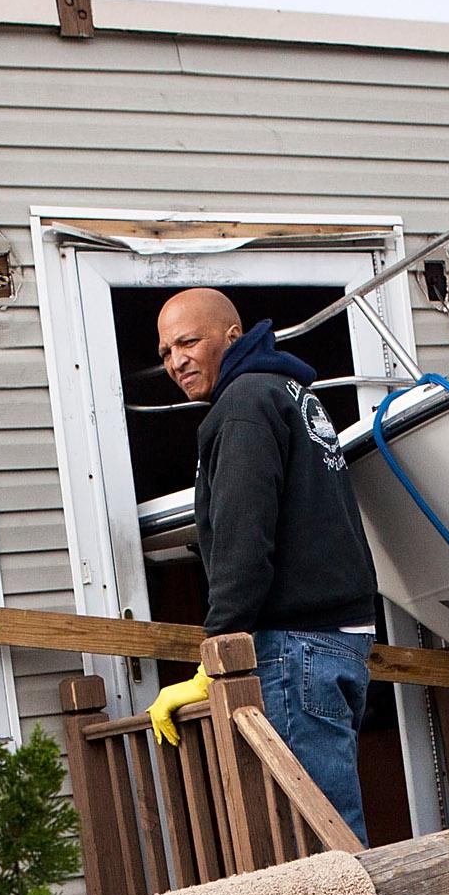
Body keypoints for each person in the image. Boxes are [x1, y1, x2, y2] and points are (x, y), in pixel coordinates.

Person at [146, 288, 381, 841]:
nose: (176, 361)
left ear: (233, 336)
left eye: (188, 341)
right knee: (327, 824)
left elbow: (242, 537)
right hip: (336, 642)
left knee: (313, 837)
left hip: (296, 647)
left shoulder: (245, 405)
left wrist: (216, 656)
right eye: (164, 352)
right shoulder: (290, 395)